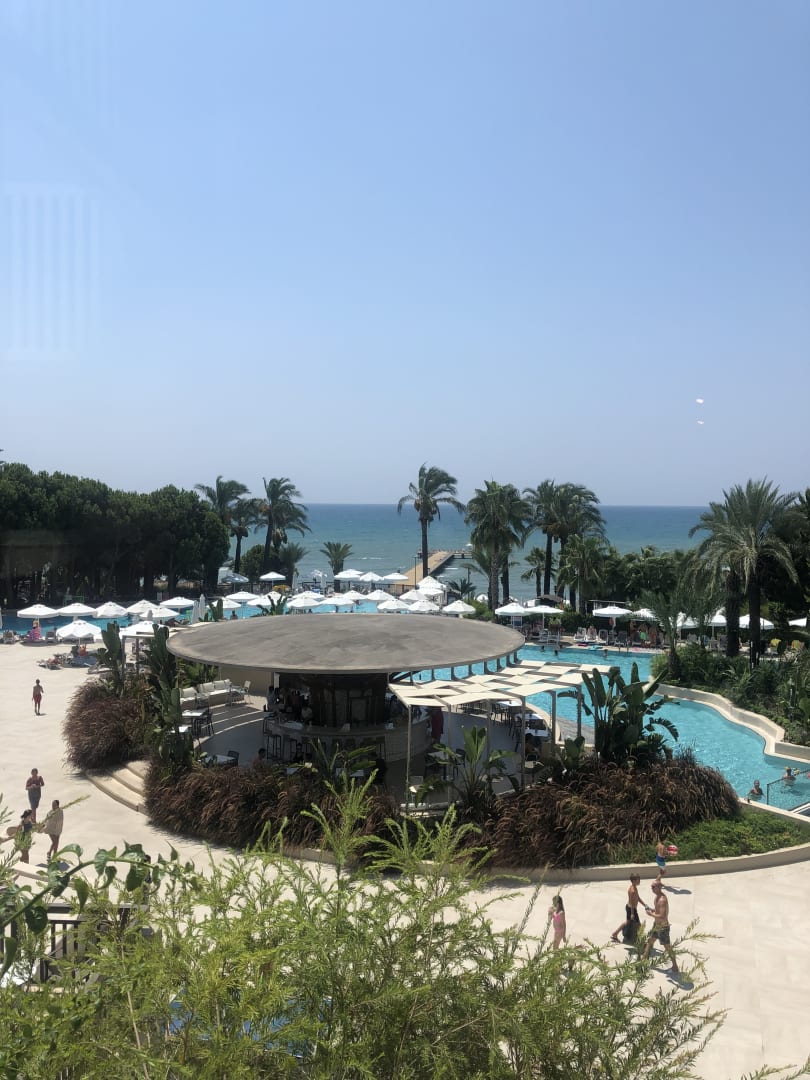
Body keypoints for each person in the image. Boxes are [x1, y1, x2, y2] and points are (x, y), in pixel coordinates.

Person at [641, 880, 679, 975]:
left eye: (653, 887)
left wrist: (651, 914)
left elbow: (662, 916)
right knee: (650, 941)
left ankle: (675, 967)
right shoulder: (657, 897)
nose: (652, 888)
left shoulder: (662, 900)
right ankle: (643, 959)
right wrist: (652, 910)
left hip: (663, 927)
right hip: (656, 925)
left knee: (668, 948)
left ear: (659, 887)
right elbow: (658, 910)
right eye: (651, 887)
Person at [611, 873, 641, 943]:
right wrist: (632, 913)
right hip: (631, 909)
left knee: (629, 922)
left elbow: (638, 898)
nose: (639, 881)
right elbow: (631, 902)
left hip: (631, 908)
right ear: (634, 881)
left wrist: (645, 905)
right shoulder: (632, 891)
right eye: (638, 880)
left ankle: (615, 934)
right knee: (638, 925)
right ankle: (639, 941)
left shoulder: (634, 887)